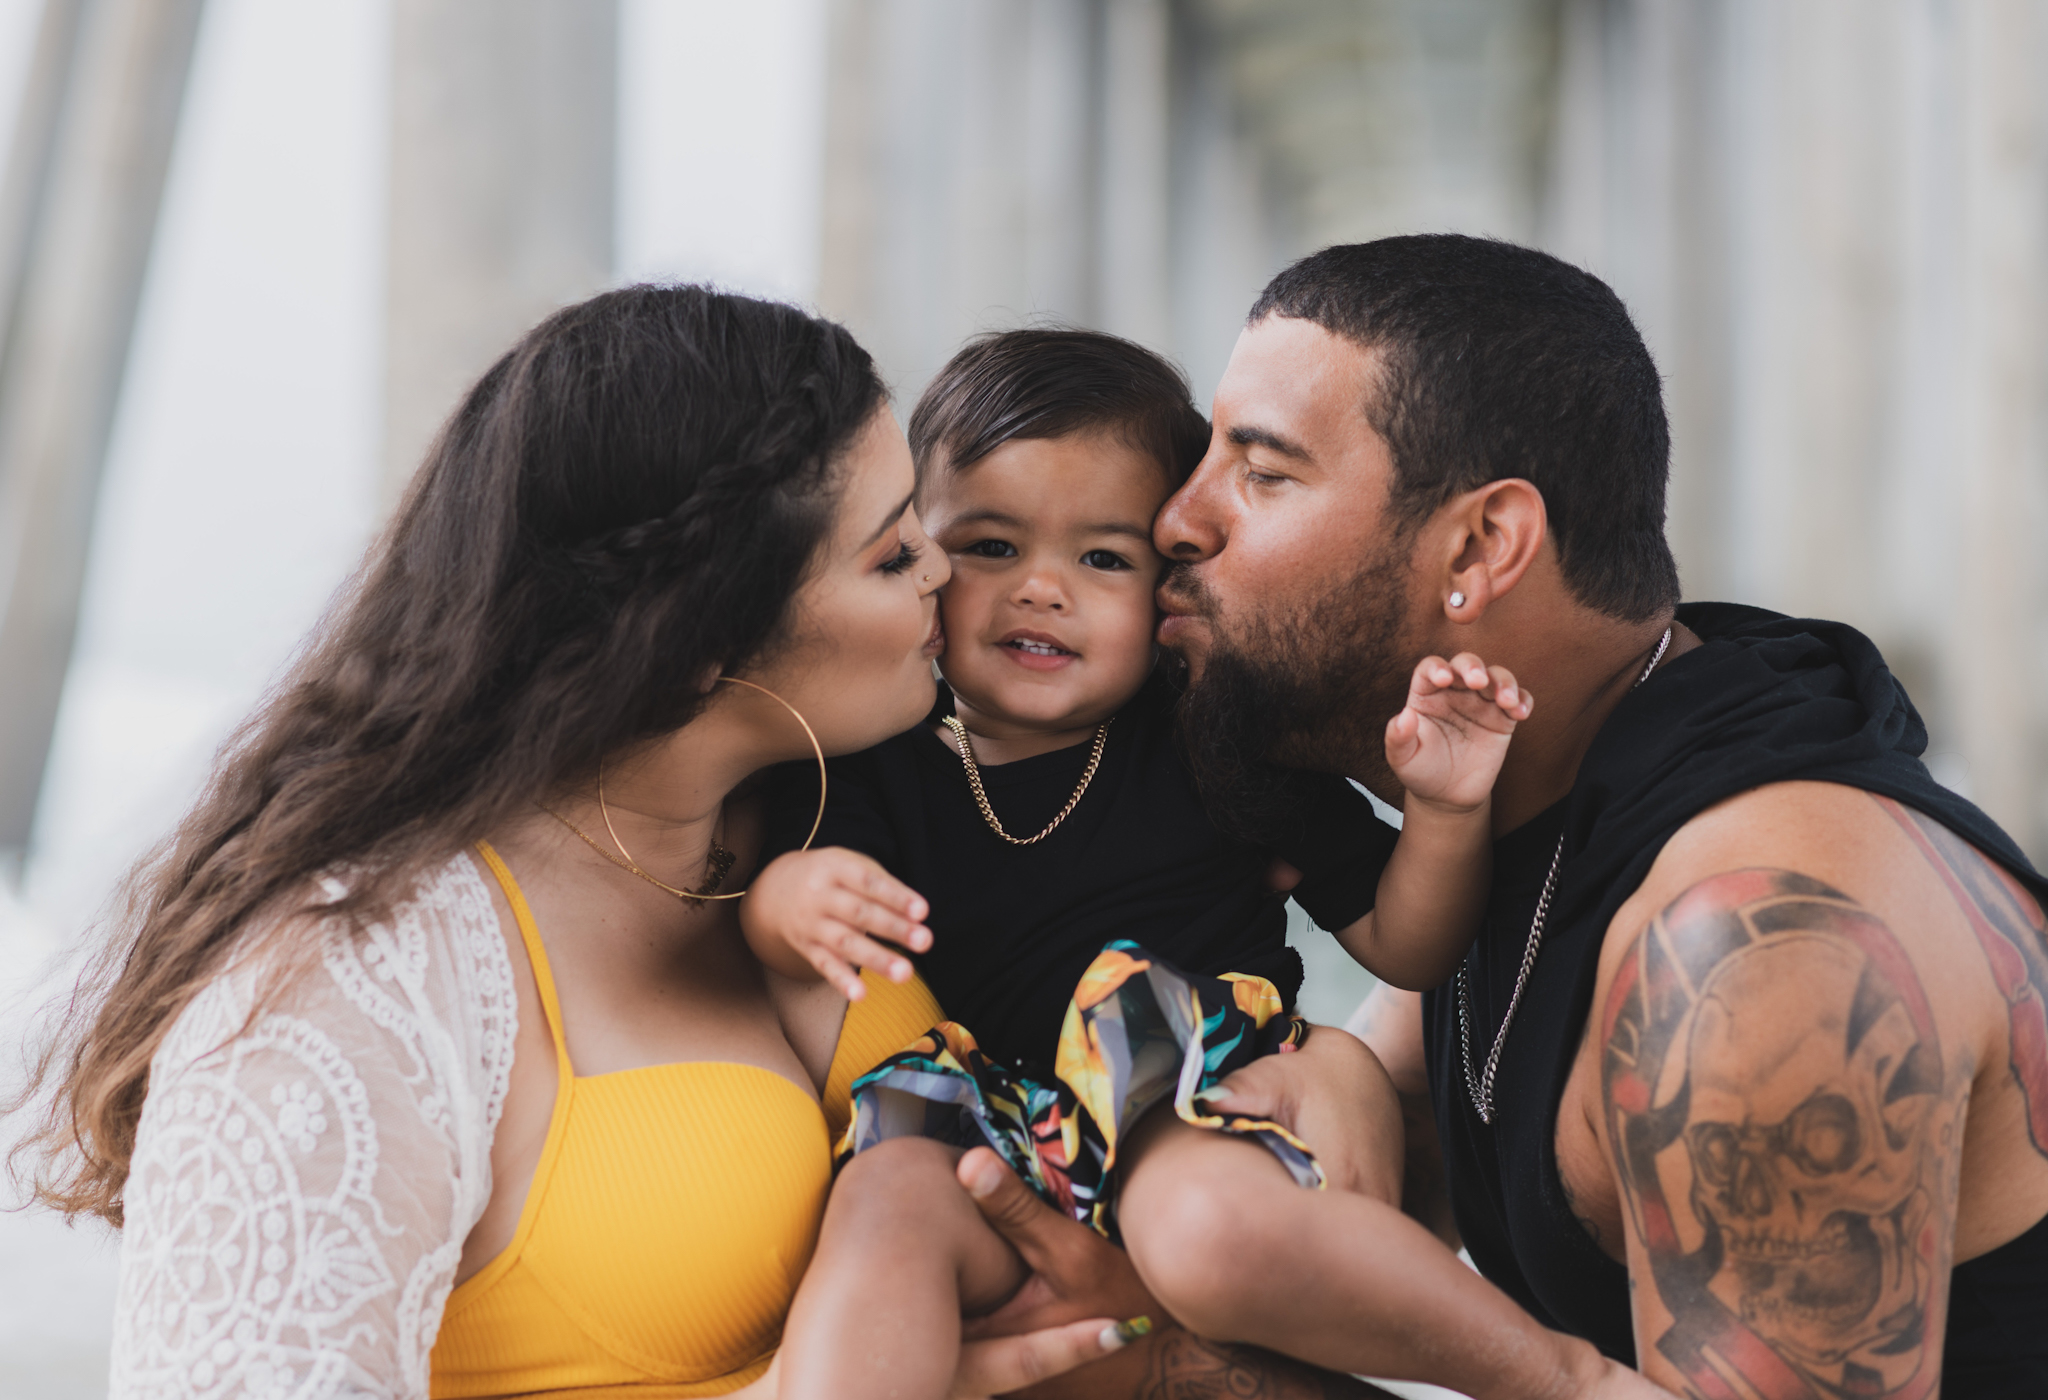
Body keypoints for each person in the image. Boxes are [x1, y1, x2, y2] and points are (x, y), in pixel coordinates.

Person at [15, 287, 1162, 1399]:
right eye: (890, 552)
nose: (947, 570)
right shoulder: (353, 971)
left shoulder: (859, 830)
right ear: (699, 645)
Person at [1153, 233, 2048, 1396]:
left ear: (1478, 545)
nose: (1175, 517)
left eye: (1260, 472)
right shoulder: (1542, 811)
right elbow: (1329, 1204)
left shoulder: (1748, 946)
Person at [739, 330, 1648, 1399]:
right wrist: (785, 902)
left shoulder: (1207, 740)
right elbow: (778, 919)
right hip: (986, 1128)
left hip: (1188, 1094)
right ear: (921, 558)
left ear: (1166, 588)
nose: (1040, 589)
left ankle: (1559, 1376)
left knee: (1202, 1230)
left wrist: (1445, 809)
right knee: (883, 1197)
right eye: (989, 547)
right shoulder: (876, 756)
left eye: (1101, 559)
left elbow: (1407, 943)